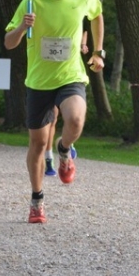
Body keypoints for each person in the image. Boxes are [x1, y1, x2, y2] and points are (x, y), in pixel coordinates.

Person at [4, 0, 105, 223]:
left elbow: (97, 15)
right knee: (37, 144)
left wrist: (98, 52)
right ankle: (37, 200)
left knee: (76, 119)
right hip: (39, 82)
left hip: (70, 76)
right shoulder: (32, 1)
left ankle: (63, 149)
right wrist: (22, 27)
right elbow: (9, 42)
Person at [44, 34, 87, 176]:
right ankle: (49, 159)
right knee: (52, 119)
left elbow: (85, 27)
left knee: (72, 114)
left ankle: (66, 145)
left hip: (69, 75)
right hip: (47, 73)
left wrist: (83, 44)